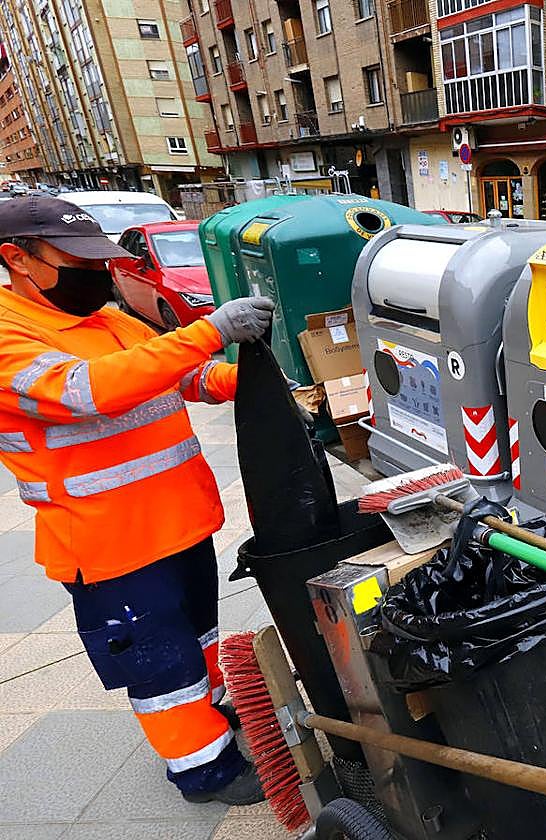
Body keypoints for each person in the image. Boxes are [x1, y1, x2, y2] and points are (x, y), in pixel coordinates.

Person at [0, 196, 275, 805]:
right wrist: (210, 331)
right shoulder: (9, 335)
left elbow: (181, 375)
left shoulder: (109, 320)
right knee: (160, 663)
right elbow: (87, 391)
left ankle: (209, 715)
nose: (98, 273)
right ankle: (204, 770)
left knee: (197, 637)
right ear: (17, 258)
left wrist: (258, 381)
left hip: (179, 521)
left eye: (101, 259)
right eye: (79, 262)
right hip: (108, 544)